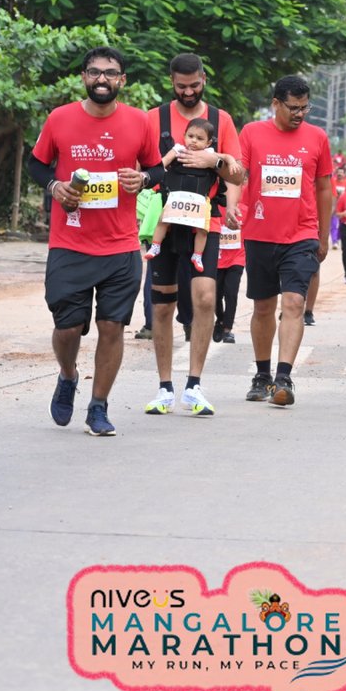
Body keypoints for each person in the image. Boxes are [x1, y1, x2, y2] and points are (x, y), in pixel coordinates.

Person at [27, 47, 163, 436]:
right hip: (70, 242)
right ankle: (68, 374)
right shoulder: (60, 118)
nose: (102, 79)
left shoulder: (139, 121)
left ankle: (98, 407)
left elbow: (156, 168)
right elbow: (37, 164)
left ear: (122, 80)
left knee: (112, 326)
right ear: (84, 77)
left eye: (110, 73)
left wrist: (144, 179)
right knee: (68, 328)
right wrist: (54, 186)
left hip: (120, 246)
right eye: (94, 72)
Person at [141, 53, 243, 419]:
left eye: (194, 85)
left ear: (204, 80)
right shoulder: (153, 119)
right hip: (166, 223)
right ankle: (164, 387)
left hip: (204, 225)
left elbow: (238, 173)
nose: (188, 91)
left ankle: (194, 384)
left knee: (205, 298)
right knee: (162, 306)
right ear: (172, 82)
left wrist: (215, 162)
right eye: (181, 86)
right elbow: (142, 169)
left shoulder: (221, 119)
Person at [238, 75, 334, 407]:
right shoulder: (251, 133)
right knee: (263, 307)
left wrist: (323, 235)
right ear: (276, 104)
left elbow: (324, 188)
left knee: (294, 303)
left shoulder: (317, 137)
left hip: (301, 234)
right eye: (293, 108)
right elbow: (240, 177)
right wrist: (235, 207)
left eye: (305, 107)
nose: (300, 114)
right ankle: (262, 375)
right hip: (260, 234)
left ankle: (283, 378)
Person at [145, 118, 224, 276]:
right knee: (162, 221)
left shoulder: (209, 154)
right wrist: (157, 170)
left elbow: (225, 158)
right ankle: (155, 246)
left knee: (203, 230)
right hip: (177, 198)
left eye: (200, 138)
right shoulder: (178, 149)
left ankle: (197, 255)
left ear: (208, 143)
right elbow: (163, 162)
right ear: (184, 135)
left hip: (199, 201)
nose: (194, 141)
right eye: (190, 136)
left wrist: (229, 161)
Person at [134, 185, 161, 340]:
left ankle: (151, 325)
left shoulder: (155, 173)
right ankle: (189, 322)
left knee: (153, 274)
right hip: (183, 217)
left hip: (155, 222)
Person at [213, 215, 244, 345]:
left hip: (237, 257)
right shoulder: (215, 206)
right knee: (215, 295)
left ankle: (227, 329)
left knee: (231, 293)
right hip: (217, 258)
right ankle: (220, 320)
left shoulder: (244, 208)